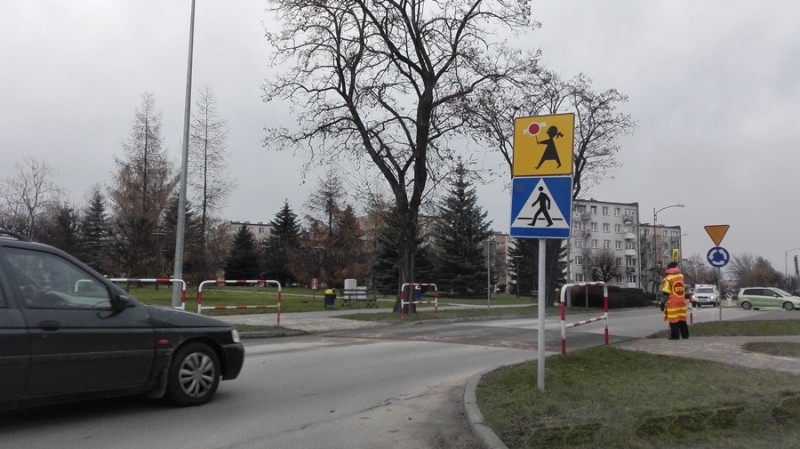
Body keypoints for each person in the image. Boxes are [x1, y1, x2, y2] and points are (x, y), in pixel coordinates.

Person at [662, 261, 689, 340]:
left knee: (673, 320)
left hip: (673, 302)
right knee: (682, 319)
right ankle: (685, 335)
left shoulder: (668, 279)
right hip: (681, 300)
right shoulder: (681, 276)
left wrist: (662, 303)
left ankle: (675, 336)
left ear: (668, 269)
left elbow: (666, 292)